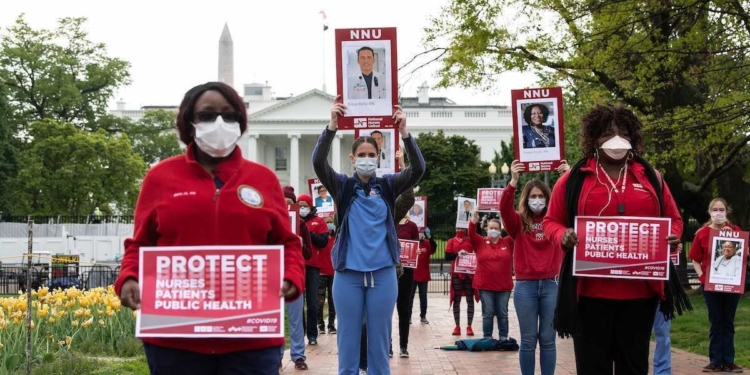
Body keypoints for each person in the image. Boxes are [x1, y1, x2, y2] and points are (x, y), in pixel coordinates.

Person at [115, 82, 305, 375]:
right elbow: (140, 244)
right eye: (207, 115)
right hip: (176, 339)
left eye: (229, 115)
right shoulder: (160, 177)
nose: (219, 122)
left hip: (250, 339)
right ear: (190, 123)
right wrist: (129, 276)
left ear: (240, 122)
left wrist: (291, 276)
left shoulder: (263, 179)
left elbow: (288, 243)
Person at [543, 104, 684, 375]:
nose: (616, 139)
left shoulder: (651, 177)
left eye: (624, 133)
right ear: (594, 138)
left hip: (640, 292)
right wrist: (563, 235)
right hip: (589, 293)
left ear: (633, 139)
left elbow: (675, 219)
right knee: (592, 367)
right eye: (608, 133)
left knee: (633, 366)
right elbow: (551, 221)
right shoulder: (574, 178)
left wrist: (673, 236)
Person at [312, 96, 425, 375]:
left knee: (379, 347)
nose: (366, 159)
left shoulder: (388, 185)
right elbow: (318, 163)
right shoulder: (342, 186)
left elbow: (418, 169)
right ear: (352, 159)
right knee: (348, 345)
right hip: (348, 275)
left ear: (378, 157)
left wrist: (405, 133)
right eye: (360, 155)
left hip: (383, 275)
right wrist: (331, 127)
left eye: (370, 155)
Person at [500, 159, 568, 375]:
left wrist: (567, 175)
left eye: (541, 196)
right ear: (526, 199)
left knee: (548, 340)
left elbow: (571, 203)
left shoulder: (555, 222)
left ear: (548, 199)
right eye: (533, 196)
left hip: (551, 286)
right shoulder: (518, 222)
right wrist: (513, 181)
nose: (537, 200)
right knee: (528, 340)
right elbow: (504, 209)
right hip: (525, 288)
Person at [688, 198, 743, 373]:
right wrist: (702, 277)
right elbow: (695, 259)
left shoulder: (736, 231)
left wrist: (732, 236)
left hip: (732, 284)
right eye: (715, 209)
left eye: (722, 209)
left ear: (727, 211)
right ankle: (715, 360)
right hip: (711, 285)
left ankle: (729, 361)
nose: (719, 213)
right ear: (710, 212)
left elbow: (744, 254)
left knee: (728, 322)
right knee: (716, 321)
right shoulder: (702, 233)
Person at [468, 208, 514, 340]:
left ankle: (503, 338)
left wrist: (508, 216)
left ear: (500, 230)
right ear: (487, 229)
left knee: (502, 313)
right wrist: (474, 217)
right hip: (485, 285)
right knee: (488, 313)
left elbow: (515, 232)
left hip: (503, 286)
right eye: (491, 227)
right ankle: (487, 338)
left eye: (496, 228)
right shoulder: (480, 242)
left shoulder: (507, 242)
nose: (493, 229)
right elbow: (471, 233)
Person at [282, 187, 314, 370]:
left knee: (295, 319)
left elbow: (309, 254)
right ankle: (276, 356)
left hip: (294, 276)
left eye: (289, 203)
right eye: (282, 202)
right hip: (275, 275)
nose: (285, 206)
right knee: (276, 320)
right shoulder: (271, 221)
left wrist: (301, 245)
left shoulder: (301, 224)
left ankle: (298, 356)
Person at [298, 194, 330, 346]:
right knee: (298, 303)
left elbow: (324, 242)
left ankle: (312, 335)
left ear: (310, 206)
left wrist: (308, 234)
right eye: (299, 205)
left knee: (312, 302)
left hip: (313, 267)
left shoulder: (319, 221)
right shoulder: (293, 221)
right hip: (296, 265)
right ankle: (301, 333)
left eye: (304, 205)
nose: (302, 208)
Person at [445, 228, 476, 336]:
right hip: (456, 274)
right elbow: (447, 257)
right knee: (456, 299)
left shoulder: (470, 240)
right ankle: (457, 325)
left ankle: (469, 325)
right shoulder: (451, 241)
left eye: (462, 227)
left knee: (469, 299)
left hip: (469, 274)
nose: (460, 230)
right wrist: (457, 254)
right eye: (458, 227)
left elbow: (477, 252)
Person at [411, 228, 437, 325]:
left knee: (423, 297)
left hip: (423, 274)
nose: (419, 234)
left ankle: (423, 316)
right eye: (418, 232)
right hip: (412, 275)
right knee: (410, 297)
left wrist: (429, 236)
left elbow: (434, 247)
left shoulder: (427, 243)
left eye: (421, 232)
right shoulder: (413, 243)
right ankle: (409, 317)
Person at [317, 220, 337, 335]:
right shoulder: (322, 239)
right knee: (319, 301)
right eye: (327, 222)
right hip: (321, 273)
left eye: (331, 222)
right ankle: (320, 324)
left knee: (332, 301)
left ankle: (331, 325)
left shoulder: (336, 238)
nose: (330, 224)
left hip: (334, 274)